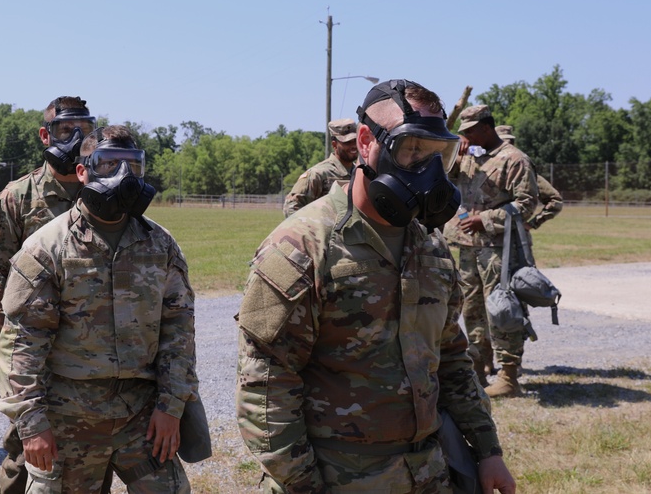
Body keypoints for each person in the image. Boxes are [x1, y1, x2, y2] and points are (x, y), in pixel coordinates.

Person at [236, 80, 516, 494]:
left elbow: (453, 358)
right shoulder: (301, 246)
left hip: (429, 471)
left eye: (439, 155)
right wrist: (303, 484)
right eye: (412, 150)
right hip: (336, 476)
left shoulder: (432, 247)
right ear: (366, 141)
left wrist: (489, 451)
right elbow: (266, 385)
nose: (428, 171)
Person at [0, 125, 197, 493]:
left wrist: (171, 407)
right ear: (82, 171)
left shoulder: (160, 243)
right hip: (68, 417)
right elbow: (23, 345)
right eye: (108, 164)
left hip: (142, 415)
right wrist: (32, 424)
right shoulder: (46, 247)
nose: (122, 176)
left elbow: (178, 331)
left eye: (132, 165)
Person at [0, 95, 96, 494]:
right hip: (35, 348)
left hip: (89, 353)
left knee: (90, 449)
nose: (78, 138)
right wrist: (7, 338)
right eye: (67, 131)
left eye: (85, 130)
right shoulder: (18, 196)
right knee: (26, 446)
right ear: (46, 135)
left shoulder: (100, 187)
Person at [443, 106, 538, 398]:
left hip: (501, 249)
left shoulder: (515, 159)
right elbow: (444, 181)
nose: (466, 136)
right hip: (469, 249)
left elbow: (526, 204)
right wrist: (453, 154)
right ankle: (479, 367)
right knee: (471, 310)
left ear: (487, 127)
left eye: (470, 131)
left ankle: (509, 376)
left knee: (502, 310)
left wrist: (484, 219)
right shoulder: (470, 159)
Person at [282, 118, 358, 216]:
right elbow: (291, 207)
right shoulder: (318, 174)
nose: (353, 146)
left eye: (355, 140)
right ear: (334, 145)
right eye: (347, 142)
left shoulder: (360, 173)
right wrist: (313, 229)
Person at [495, 126, 564, 231]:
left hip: (514, 236)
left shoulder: (525, 173)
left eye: (510, 143)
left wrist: (533, 223)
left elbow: (555, 200)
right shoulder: (484, 171)